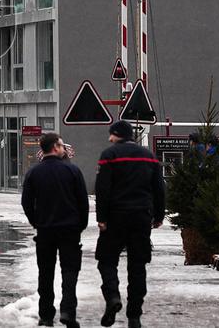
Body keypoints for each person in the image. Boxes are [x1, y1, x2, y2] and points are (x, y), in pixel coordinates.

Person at [95, 120, 166, 328]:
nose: (109, 138)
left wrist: (102, 218)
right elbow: (159, 190)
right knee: (138, 265)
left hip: (115, 217)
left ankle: (112, 297)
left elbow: (103, 189)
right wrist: (159, 216)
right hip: (141, 218)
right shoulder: (150, 157)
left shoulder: (109, 155)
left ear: (117, 134)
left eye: (111, 134)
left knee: (107, 260)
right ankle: (134, 315)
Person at [22, 133, 88, 328]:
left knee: (46, 272)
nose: (63, 149)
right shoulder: (73, 171)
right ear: (56, 147)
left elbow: (26, 202)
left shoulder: (34, 173)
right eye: (61, 145)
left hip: (45, 230)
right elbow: (82, 202)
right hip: (69, 230)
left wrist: (35, 221)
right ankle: (68, 310)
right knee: (70, 271)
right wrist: (81, 224)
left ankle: (46, 315)